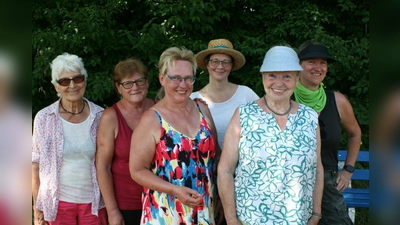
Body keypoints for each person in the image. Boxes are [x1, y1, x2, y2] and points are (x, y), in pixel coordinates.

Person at [218, 46, 324, 225]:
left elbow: (317, 169)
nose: (279, 83)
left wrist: (316, 214)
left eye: (287, 76)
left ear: (297, 79)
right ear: (263, 77)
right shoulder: (244, 115)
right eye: (272, 75)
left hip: (298, 220)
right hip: (251, 219)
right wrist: (231, 218)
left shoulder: (310, 117)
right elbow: (225, 170)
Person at [129, 47, 222, 225]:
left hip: (203, 212)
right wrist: (174, 190)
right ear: (162, 79)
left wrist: (222, 196)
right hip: (166, 214)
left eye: (188, 78)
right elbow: (137, 170)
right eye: (176, 78)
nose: (183, 84)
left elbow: (216, 157)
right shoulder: (152, 119)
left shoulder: (202, 110)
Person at [32, 53, 107, 225]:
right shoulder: (44, 118)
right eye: (64, 81)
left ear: (85, 81)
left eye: (78, 78)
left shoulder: (101, 116)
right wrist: (37, 210)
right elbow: (34, 166)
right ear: (56, 87)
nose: (72, 85)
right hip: (57, 205)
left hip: (94, 204)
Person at [294, 41, 362, 225]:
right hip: (291, 181)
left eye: (323, 63)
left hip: (328, 181)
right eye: (311, 62)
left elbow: (355, 134)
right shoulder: (284, 98)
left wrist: (348, 170)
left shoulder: (337, 101)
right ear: (298, 66)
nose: (318, 68)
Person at [96, 58, 156, 225]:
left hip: (162, 202)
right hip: (127, 206)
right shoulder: (111, 117)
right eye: (127, 83)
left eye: (139, 81)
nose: (135, 87)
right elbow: (103, 167)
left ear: (147, 82)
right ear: (118, 88)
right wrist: (113, 211)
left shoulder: (160, 110)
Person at [190, 38, 259, 149]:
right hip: (207, 163)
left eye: (225, 62)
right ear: (207, 64)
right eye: (215, 61)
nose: (220, 67)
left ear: (231, 66)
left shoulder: (246, 94)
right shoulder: (193, 99)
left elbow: (265, 123)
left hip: (243, 163)